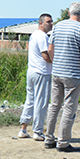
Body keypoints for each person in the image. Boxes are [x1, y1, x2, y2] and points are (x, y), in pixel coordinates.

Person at [44, 2, 80, 152]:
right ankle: (63, 141)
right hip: (73, 73)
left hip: (57, 72)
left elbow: (50, 49)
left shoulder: (58, 26)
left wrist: (56, 63)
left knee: (54, 105)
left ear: (68, 12)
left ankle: (49, 138)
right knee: (69, 107)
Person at [18, 13, 53, 141]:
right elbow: (45, 55)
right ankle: (38, 131)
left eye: (51, 21)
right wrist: (55, 62)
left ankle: (23, 128)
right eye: (48, 22)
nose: (51, 24)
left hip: (32, 71)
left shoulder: (34, 35)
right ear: (41, 23)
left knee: (30, 100)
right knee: (41, 102)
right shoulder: (43, 36)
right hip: (41, 72)